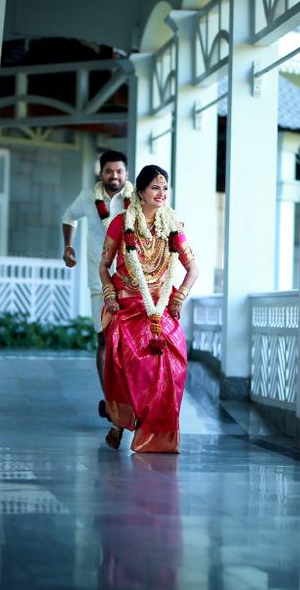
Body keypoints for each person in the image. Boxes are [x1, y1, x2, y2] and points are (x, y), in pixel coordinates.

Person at [98, 165, 198, 453]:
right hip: (127, 299)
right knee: (131, 354)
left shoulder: (172, 226)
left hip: (162, 301)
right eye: (155, 187)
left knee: (174, 353)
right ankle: (120, 420)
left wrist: (179, 299)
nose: (161, 193)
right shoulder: (121, 222)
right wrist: (110, 295)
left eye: (165, 188)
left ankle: (158, 432)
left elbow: (193, 268)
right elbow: (103, 266)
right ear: (140, 192)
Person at [61, 150, 134, 404]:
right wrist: (68, 247)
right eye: (109, 171)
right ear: (100, 173)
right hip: (98, 278)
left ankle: (129, 395)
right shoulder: (87, 197)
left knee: (130, 340)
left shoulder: (136, 199)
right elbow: (69, 217)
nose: (114, 176)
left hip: (132, 280)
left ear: (126, 173)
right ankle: (110, 400)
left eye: (119, 171)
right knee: (103, 337)